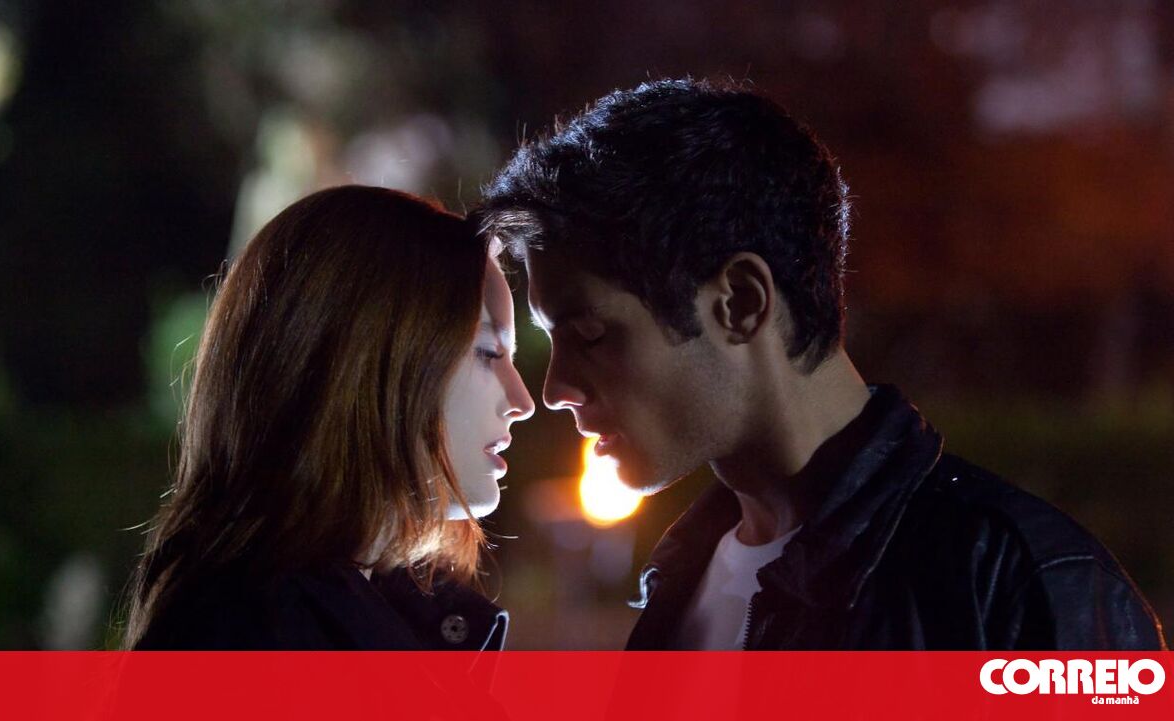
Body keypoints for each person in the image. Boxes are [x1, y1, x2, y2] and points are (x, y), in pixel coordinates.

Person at [476, 78, 1166, 650]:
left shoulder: (1018, 583)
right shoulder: (679, 583)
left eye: (591, 335)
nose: (556, 389)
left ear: (741, 302)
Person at [123, 185, 534, 650]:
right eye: (487, 352)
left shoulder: (352, 617)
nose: (522, 401)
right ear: (365, 359)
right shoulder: (254, 640)